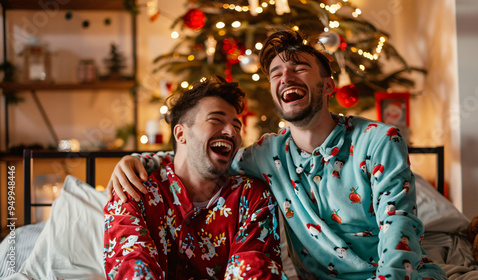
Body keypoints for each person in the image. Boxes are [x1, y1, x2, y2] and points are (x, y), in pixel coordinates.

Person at [107, 30, 447, 279]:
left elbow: (399, 228)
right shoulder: (268, 154)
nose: (286, 76)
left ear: (328, 86)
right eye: (275, 73)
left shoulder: (379, 140)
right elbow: (198, 162)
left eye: (299, 68)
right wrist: (142, 161)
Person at [103, 75, 285, 280]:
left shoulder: (252, 196)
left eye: (236, 126)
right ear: (181, 135)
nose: (231, 132)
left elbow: (254, 266)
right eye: (216, 120)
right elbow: (131, 265)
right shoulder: (134, 190)